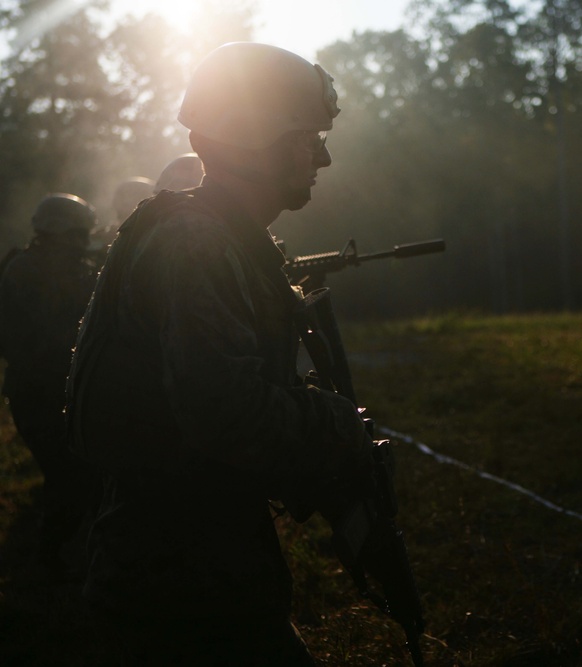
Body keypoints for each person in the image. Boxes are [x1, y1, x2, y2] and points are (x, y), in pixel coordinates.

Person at [66, 42, 368, 665]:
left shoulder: (221, 237)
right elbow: (226, 412)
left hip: (198, 559)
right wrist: (335, 423)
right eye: (308, 136)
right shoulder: (196, 244)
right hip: (175, 586)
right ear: (258, 138)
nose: (325, 156)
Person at [0, 193, 101, 577]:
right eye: (78, 236)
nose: (82, 244)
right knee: (71, 476)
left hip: (38, 390)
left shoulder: (29, 264)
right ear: (63, 233)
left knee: (77, 474)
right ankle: (48, 560)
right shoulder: (34, 271)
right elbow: (57, 331)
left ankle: (76, 552)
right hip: (39, 393)